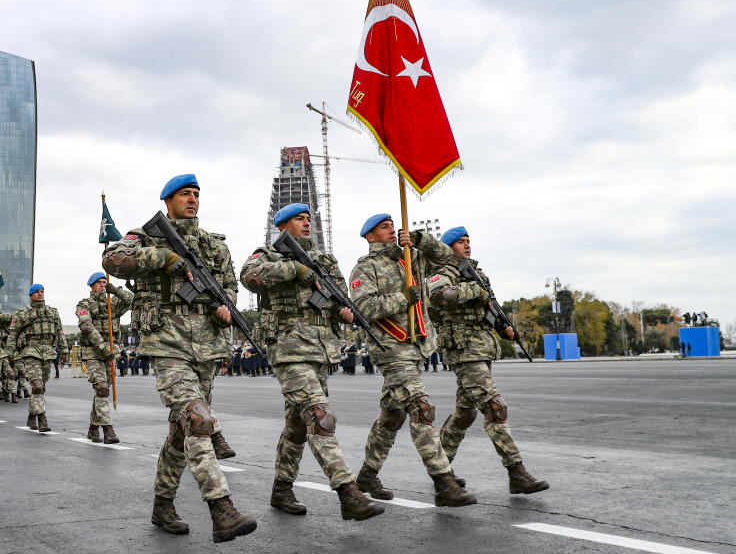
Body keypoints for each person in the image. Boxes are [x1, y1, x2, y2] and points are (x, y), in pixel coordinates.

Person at [103, 173, 256, 543]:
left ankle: (162, 504)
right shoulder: (147, 236)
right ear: (168, 201)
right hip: (166, 342)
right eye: (185, 194)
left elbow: (230, 284)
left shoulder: (213, 244)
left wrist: (225, 306)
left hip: (206, 345)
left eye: (196, 194)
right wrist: (163, 258)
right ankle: (222, 509)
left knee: (181, 431)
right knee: (198, 419)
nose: (192, 199)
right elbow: (112, 259)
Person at [241, 202, 383, 521]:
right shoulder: (268, 253)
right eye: (298, 219)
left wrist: (344, 312)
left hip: (320, 350)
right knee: (320, 416)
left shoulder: (325, 260)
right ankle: (348, 492)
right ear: (282, 227)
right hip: (288, 346)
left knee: (297, 425)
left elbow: (337, 300)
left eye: (308, 219)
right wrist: (297, 269)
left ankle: (281, 489)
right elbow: (249, 277)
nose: (307, 223)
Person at [349, 214, 476, 506]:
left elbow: (448, 258)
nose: (392, 230)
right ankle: (444, 482)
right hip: (390, 348)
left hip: (415, 346)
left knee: (393, 415)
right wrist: (402, 298)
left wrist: (419, 240)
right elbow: (363, 308)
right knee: (422, 407)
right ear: (370, 236)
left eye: (393, 225)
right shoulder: (365, 268)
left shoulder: (411, 259)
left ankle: (367, 474)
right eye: (384, 227)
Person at [427, 226, 549, 495]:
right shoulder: (440, 273)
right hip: (463, 350)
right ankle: (517, 472)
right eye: (460, 242)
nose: (467, 245)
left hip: (481, 348)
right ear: (448, 248)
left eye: (469, 241)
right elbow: (440, 297)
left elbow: (488, 308)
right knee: (495, 406)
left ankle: (441, 471)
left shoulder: (478, 274)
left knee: (464, 414)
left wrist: (503, 327)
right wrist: (474, 290)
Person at [76, 271, 133, 443]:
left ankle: (93, 428)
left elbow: (131, 301)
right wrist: (103, 348)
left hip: (111, 351)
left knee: (103, 392)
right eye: (99, 282)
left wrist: (115, 290)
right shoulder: (84, 304)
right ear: (91, 286)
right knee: (101, 388)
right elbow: (87, 327)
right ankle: (108, 430)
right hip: (94, 352)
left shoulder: (113, 303)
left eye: (104, 282)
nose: (102, 284)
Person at [12, 284, 68, 432]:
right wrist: (11, 356)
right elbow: (13, 335)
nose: (40, 294)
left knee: (41, 388)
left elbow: (59, 332)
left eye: (42, 291)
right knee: (36, 385)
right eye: (36, 292)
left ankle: (32, 415)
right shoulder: (22, 314)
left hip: (48, 352)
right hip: (31, 351)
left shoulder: (52, 312)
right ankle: (42, 419)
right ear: (30, 295)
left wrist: (65, 351)